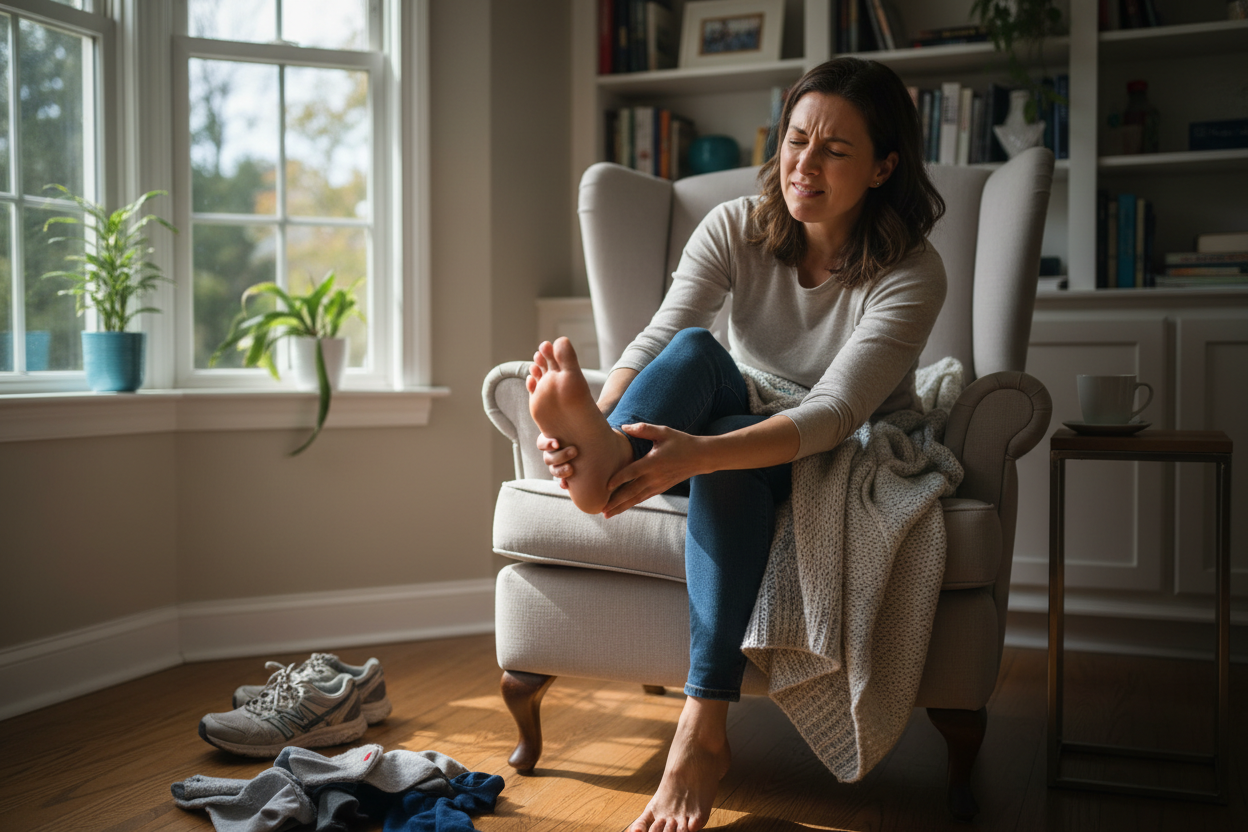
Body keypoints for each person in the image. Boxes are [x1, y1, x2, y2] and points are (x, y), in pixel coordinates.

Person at [526, 57, 947, 832]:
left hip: (836, 444)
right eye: (794, 140)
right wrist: (610, 409)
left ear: (885, 167)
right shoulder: (735, 226)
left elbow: (834, 410)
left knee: (722, 438)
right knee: (690, 350)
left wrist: (697, 455)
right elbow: (656, 335)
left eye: (835, 151)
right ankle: (609, 450)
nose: (804, 165)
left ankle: (700, 732)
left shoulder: (913, 272)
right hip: (744, 406)